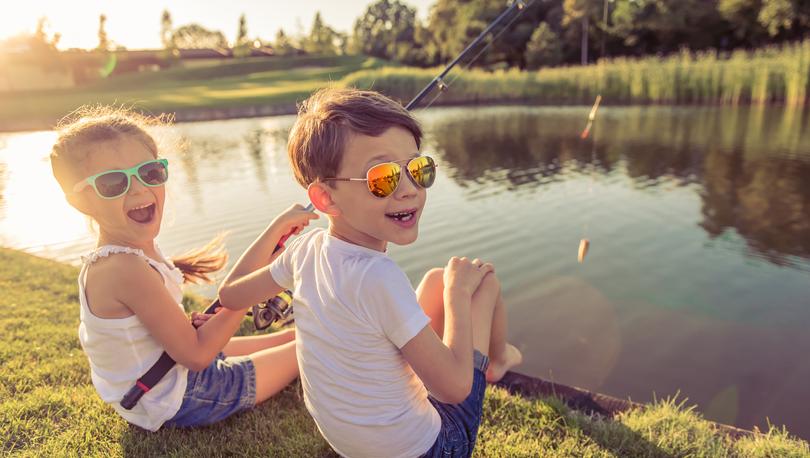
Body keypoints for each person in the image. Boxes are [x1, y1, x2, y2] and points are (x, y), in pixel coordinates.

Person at [217, 88, 522, 457]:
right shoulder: (378, 277)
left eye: (416, 169)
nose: (409, 189)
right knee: (480, 283)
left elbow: (230, 294)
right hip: (429, 450)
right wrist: (457, 296)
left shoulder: (304, 250)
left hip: (353, 446)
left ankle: (488, 351)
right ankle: (499, 360)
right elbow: (454, 390)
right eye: (383, 179)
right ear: (325, 198)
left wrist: (276, 228)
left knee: (434, 280)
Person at [49, 106, 302, 431]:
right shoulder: (123, 268)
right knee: (317, 344)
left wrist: (273, 233)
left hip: (161, 380)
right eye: (113, 182)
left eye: (149, 172)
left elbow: (183, 340)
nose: (139, 188)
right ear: (80, 200)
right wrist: (245, 297)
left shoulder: (129, 252)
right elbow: (197, 356)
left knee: (299, 334)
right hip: (180, 397)